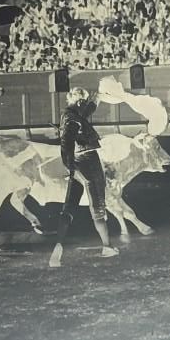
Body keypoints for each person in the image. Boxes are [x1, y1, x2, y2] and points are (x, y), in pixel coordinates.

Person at [51, 86, 119, 267]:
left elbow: (83, 115)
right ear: (79, 101)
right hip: (88, 162)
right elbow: (66, 143)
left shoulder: (70, 115)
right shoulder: (73, 119)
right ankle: (107, 246)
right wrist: (70, 165)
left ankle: (58, 247)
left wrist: (96, 100)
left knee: (70, 205)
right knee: (97, 204)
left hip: (77, 163)